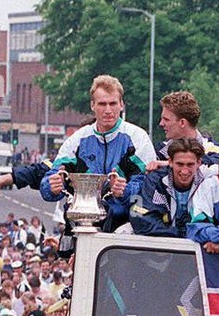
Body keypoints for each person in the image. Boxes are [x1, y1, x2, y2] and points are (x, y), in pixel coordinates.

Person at [40, 74, 157, 232]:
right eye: (102, 104)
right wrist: (51, 186)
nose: (108, 110)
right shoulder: (78, 139)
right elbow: (52, 177)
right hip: (82, 224)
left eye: (113, 103)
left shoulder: (138, 138)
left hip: (126, 226)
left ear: (121, 105)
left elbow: (148, 187)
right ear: (92, 105)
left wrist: (125, 191)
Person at [129, 138, 207, 238]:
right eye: (180, 164)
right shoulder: (154, 181)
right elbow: (139, 219)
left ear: (199, 163)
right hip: (162, 244)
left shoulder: (207, 182)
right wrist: (182, 234)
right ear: (170, 162)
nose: (184, 171)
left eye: (190, 165)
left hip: (200, 244)